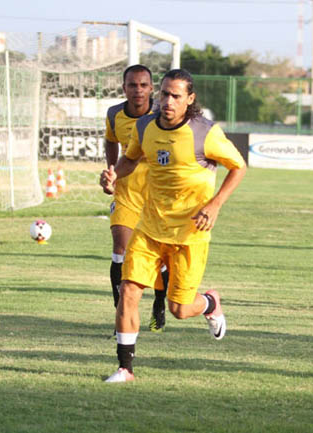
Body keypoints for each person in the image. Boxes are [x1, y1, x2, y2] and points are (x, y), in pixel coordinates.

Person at [100, 68, 247, 383]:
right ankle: (125, 369)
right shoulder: (145, 125)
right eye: (164, 93)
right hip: (150, 228)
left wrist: (215, 204)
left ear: (189, 99)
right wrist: (114, 174)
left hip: (190, 233)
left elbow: (238, 166)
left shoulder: (205, 133)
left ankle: (210, 302)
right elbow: (130, 158)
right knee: (129, 289)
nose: (167, 101)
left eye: (176, 96)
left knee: (180, 309)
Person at [104, 64, 169, 333]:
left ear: (152, 88)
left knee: (161, 258)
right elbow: (110, 140)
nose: (138, 90)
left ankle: (159, 303)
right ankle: (123, 314)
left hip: (157, 195)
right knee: (120, 249)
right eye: (132, 85)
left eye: (143, 85)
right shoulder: (114, 114)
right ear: (124, 88)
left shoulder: (163, 114)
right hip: (127, 192)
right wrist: (111, 173)